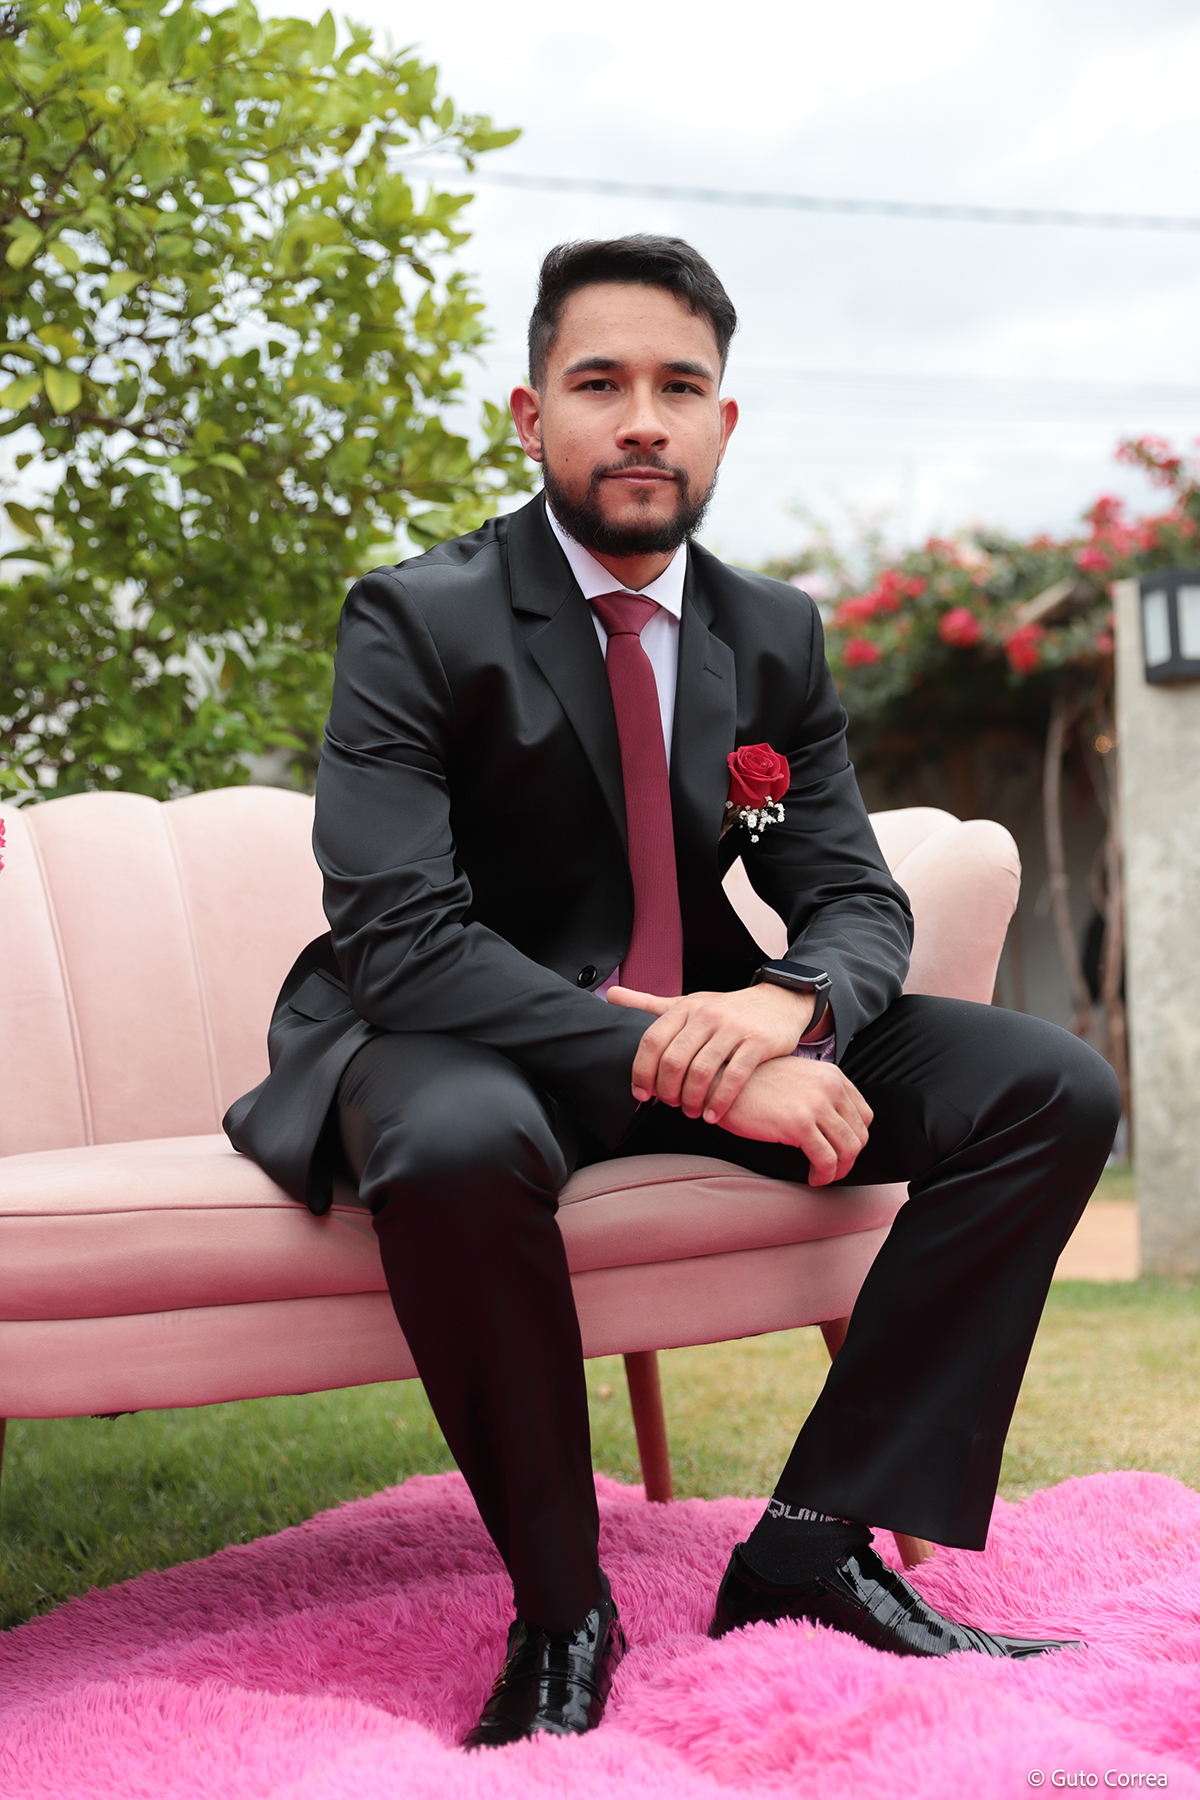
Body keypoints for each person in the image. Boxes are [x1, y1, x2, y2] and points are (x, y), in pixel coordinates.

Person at [225, 235, 1119, 1750]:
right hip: (457, 1034)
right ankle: (563, 1610)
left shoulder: (772, 631)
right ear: (531, 416)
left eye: (679, 387)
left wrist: (788, 1012)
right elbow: (400, 935)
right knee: (451, 1141)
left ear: (724, 421)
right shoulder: (418, 618)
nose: (642, 420)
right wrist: (710, 1067)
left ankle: (814, 1546)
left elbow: (851, 896)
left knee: (1049, 1088)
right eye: (601, 383)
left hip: (702, 1022)